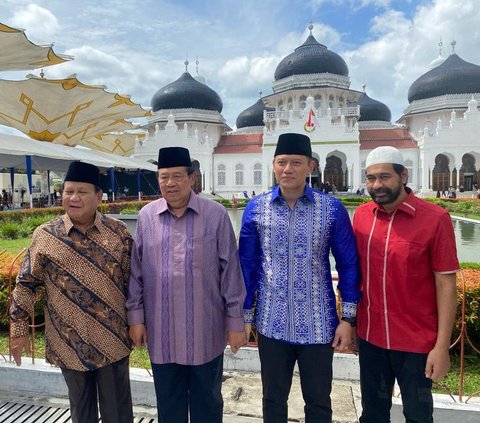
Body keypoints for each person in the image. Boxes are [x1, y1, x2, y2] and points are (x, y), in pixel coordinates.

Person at [239, 133, 360, 423]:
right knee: (272, 399)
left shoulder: (331, 209)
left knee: (318, 401)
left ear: (311, 166)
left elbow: (348, 264)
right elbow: (247, 265)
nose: (287, 169)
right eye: (282, 162)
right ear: (273, 165)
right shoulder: (257, 209)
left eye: (295, 162)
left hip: (318, 325)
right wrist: (245, 317)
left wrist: (348, 319)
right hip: (271, 323)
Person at [127, 147, 246, 423]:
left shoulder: (215, 215)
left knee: (208, 404)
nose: (170, 183)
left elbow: (230, 271)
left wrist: (236, 322)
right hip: (162, 333)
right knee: (169, 406)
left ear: (192, 178)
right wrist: (136, 319)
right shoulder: (146, 217)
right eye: (164, 177)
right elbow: (136, 272)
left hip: (205, 332)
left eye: (177, 176)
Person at [9, 161, 134, 423]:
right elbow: (26, 284)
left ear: (99, 196)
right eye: (68, 191)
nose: (73, 198)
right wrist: (19, 331)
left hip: (112, 339)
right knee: (81, 412)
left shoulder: (118, 233)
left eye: (82, 192)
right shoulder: (46, 235)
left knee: (118, 413)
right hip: (68, 342)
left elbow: (135, 285)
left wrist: (140, 324)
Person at [352, 146, 459, 423]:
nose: (377, 185)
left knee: (418, 415)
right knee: (373, 414)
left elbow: (446, 285)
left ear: (404, 175)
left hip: (417, 343)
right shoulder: (362, 218)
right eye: (371, 178)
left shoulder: (435, 219)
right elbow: (355, 274)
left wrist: (441, 346)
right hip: (371, 338)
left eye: (385, 177)